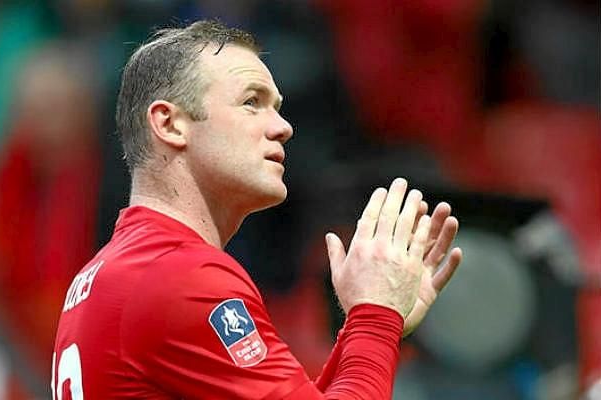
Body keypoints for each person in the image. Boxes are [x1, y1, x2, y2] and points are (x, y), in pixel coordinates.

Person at [51, 20, 462, 399]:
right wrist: (376, 313)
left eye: (277, 107)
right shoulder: (181, 275)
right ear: (170, 124)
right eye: (252, 102)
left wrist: (370, 322)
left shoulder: (112, 273)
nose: (282, 127)